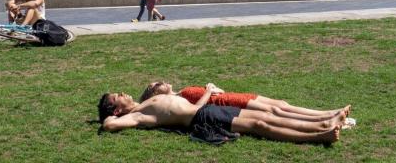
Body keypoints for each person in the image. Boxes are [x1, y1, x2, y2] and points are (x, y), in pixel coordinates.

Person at [98, 84, 342, 144]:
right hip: (202, 117)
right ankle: (320, 134)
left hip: (209, 110)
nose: (123, 93)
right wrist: (111, 119)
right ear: (117, 108)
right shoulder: (134, 116)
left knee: (267, 117)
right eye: (117, 96)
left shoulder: (143, 103)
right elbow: (109, 126)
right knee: (261, 123)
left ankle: (322, 120)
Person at [140, 81, 351, 125]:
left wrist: (210, 87)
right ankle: (327, 117)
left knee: (280, 105)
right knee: (277, 110)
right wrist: (209, 90)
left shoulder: (182, 93)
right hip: (230, 102)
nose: (162, 81)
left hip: (232, 97)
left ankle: (327, 114)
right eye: (157, 85)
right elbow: (199, 108)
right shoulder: (178, 98)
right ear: (155, 93)